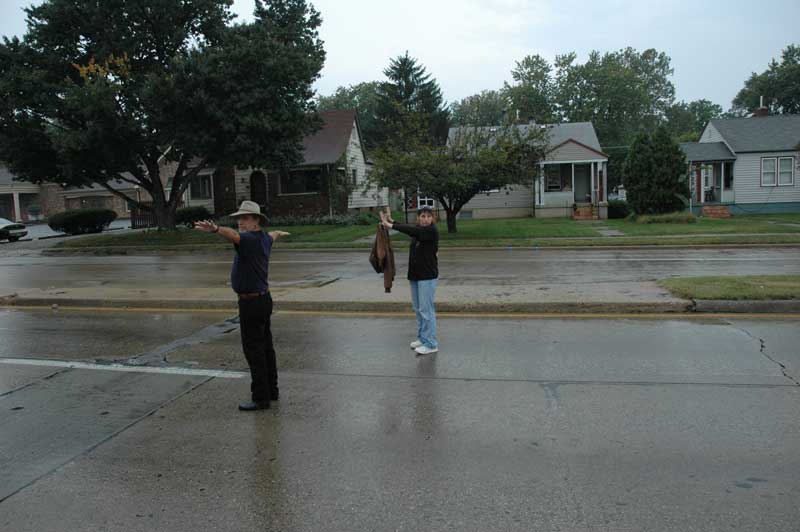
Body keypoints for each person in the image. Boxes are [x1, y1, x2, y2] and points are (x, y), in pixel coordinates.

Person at [194, 201, 289, 411]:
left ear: (256, 221)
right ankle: (272, 391)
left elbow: (233, 236)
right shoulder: (264, 238)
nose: (240, 222)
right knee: (266, 348)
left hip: (252, 303)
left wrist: (216, 229)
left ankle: (261, 399)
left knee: (254, 351)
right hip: (264, 300)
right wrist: (278, 233)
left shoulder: (248, 240)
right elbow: (272, 235)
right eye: (239, 218)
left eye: (245, 218)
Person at [380, 205, 439, 355]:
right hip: (415, 276)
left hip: (427, 277)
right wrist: (392, 220)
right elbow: (411, 229)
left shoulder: (431, 231)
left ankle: (431, 344)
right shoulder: (418, 232)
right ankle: (422, 338)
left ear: (432, 219)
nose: (425, 219)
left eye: (428, 216)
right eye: (422, 216)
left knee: (427, 311)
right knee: (419, 310)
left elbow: (414, 230)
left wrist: (390, 225)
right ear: (418, 218)